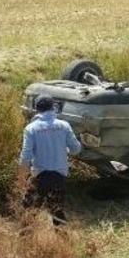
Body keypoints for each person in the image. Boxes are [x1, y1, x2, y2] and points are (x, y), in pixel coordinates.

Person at [19, 95, 82, 224]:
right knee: (57, 212)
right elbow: (76, 149)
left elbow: (26, 156)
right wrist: (65, 151)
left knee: (29, 211)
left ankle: (26, 241)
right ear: (53, 108)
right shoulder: (64, 125)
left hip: (39, 176)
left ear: (37, 109)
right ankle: (61, 241)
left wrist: (20, 177)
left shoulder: (31, 128)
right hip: (59, 176)